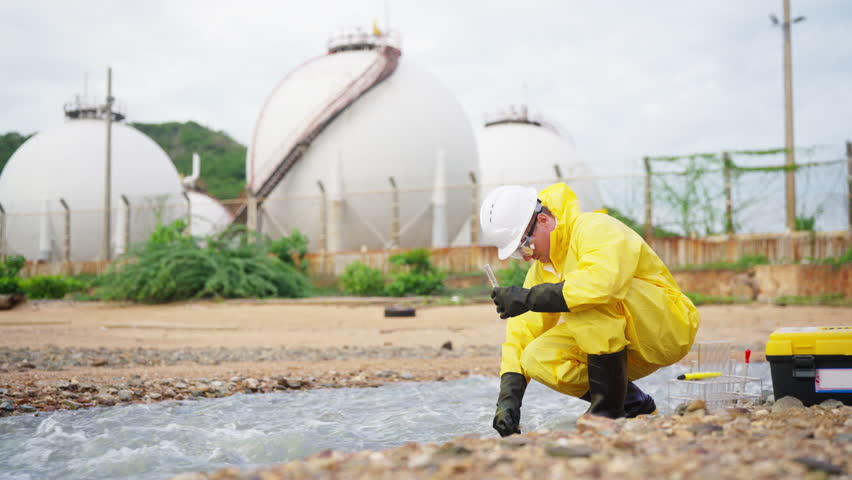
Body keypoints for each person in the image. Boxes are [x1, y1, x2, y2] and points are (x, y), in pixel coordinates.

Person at [480, 183, 700, 437]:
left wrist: (529, 298)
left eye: (524, 246)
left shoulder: (594, 228)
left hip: (665, 329)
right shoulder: (541, 272)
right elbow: (520, 335)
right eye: (518, 254)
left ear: (543, 221)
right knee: (535, 357)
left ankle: (607, 412)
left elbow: (602, 284)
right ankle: (633, 405)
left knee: (587, 301)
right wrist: (509, 400)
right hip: (623, 350)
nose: (526, 257)